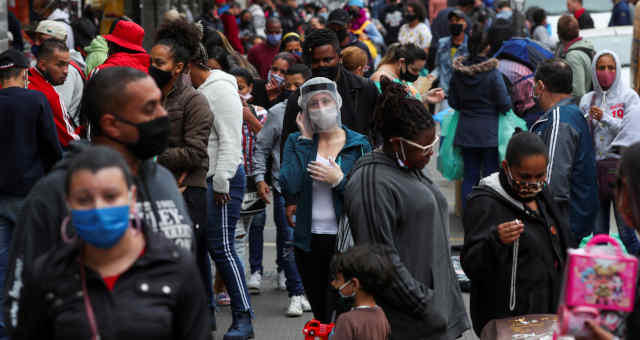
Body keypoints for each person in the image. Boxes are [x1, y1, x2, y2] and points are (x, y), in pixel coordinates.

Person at [3, 66, 195, 339]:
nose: (163, 117)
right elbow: (18, 305)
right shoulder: (55, 193)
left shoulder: (162, 180)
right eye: (150, 109)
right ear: (111, 124)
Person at [20, 146, 209, 340]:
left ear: (132, 197)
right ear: (68, 203)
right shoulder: (47, 275)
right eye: (84, 199)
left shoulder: (176, 267)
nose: (98, 208)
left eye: (110, 197)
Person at [344, 78, 470, 339]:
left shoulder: (409, 166)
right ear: (397, 142)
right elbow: (381, 261)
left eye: (432, 145)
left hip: (434, 317)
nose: (430, 154)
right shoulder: (373, 182)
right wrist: (427, 305)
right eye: (424, 148)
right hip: (408, 323)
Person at [280, 77, 372, 323]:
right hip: (308, 243)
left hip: (344, 242)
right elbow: (289, 185)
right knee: (321, 313)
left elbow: (366, 195)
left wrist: (338, 180)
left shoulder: (358, 144)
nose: (321, 108)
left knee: (342, 309)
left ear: (338, 103)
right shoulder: (296, 141)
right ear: (304, 110)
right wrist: (305, 141)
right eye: (313, 104)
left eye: (326, 101)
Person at [462, 131, 571, 335]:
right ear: (506, 167)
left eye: (540, 176)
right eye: (525, 176)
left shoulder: (542, 195)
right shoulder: (486, 203)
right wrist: (496, 241)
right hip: (509, 323)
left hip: (547, 317)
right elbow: (471, 264)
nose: (533, 183)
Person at [149, 19, 216, 329]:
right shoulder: (146, 97)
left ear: (178, 67)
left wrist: (153, 157)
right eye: (151, 61)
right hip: (153, 189)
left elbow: (196, 153)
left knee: (189, 264)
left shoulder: (195, 102)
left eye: (159, 63)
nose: (152, 67)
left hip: (190, 191)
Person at [188, 43, 255, 340]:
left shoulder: (222, 89)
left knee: (222, 247)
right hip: (202, 180)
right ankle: (206, 314)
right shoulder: (195, 90)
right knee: (200, 247)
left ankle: (244, 317)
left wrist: (222, 182)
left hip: (222, 180)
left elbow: (231, 140)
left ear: (190, 64)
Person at [0, 49, 63, 339]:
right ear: (25, 73)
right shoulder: (36, 100)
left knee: (2, 265)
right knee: (35, 261)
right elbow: (51, 147)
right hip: (30, 194)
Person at [253, 64, 311, 317]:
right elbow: (262, 147)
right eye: (288, 86)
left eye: (297, 85)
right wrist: (259, 177)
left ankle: (309, 289)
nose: (292, 90)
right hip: (284, 188)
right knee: (289, 241)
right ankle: (296, 293)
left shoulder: (323, 110)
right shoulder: (277, 113)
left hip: (318, 188)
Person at [530, 59, 598, 244]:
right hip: (572, 219)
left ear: (540, 86)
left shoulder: (560, 120)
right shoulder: (572, 113)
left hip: (562, 223)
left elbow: (552, 182)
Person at [579, 50, 640, 253]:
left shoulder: (629, 97)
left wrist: (606, 117)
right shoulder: (587, 100)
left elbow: (631, 130)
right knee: (599, 234)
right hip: (594, 174)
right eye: (601, 67)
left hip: (620, 173)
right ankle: (603, 278)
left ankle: (636, 277)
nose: (606, 72)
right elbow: (582, 137)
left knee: (627, 233)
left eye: (611, 67)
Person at [281, 29, 379, 152]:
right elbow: (288, 147)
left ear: (339, 58)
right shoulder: (299, 98)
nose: (322, 65)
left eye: (327, 60)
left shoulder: (365, 88)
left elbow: (379, 133)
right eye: (316, 61)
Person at [449, 24, 512, 209]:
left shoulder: (458, 72)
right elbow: (504, 103)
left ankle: (469, 215)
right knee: (491, 176)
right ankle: (490, 212)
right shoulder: (492, 73)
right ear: (487, 48)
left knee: (469, 175)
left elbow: (453, 102)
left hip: (466, 131)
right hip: (490, 133)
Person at [228, 68, 269, 296]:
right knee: (235, 233)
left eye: (241, 88)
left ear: (250, 89)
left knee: (254, 226)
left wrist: (249, 118)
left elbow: (266, 140)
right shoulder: (223, 112)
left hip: (255, 181)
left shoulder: (260, 113)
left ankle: (256, 271)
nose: (236, 93)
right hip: (233, 179)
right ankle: (237, 283)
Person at [329, 245, 392, 340]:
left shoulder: (347, 320)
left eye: (337, 280)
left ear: (354, 284)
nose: (333, 284)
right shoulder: (381, 315)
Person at [29, 38, 81, 148]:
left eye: (67, 65)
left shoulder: (23, 77)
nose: (66, 71)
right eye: (60, 65)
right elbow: (69, 140)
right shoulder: (49, 96)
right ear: (42, 65)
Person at [32, 20, 86, 125]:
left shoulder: (66, 69)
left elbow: (57, 109)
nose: (36, 43)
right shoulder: (49, 64)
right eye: (35, 38)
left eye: (41, 39)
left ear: (57, 42)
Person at [434, 8, 470, 103]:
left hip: (463, 95)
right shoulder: (442, 43)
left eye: (457, 20)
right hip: (443, 93)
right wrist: (431, 77)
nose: (454, 23)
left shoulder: (471, 45)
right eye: (451, 21)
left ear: (465, 24)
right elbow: (438, 67)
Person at [556, 14, 595, 100]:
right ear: (578, 30)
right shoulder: (587, 46)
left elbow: (578, 92)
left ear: (559, 34)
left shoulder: (573, 57)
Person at [327, 9, 375, 76]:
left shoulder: (360, 48)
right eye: (332, 26)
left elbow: (368, 73)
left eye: (339, 26)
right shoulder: (326, 47)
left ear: (349, 26)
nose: (336, 29)